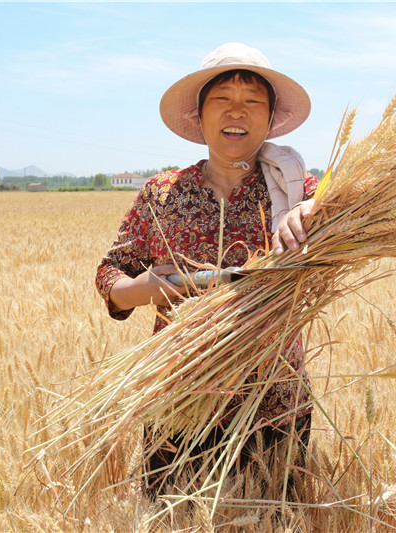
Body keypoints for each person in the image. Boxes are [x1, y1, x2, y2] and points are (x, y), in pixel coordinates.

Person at [95, 42, 319, 493]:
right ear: (199, 116)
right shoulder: (162, 194)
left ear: (271, 118)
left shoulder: (294, 191)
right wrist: (143, 290)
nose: (237, 111)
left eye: (253, 101)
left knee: (274, 521)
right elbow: (109, 274)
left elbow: (353, 204)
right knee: (171, 518)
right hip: (177, 402)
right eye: (222, 99)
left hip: (273, 404)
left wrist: (313, 207)